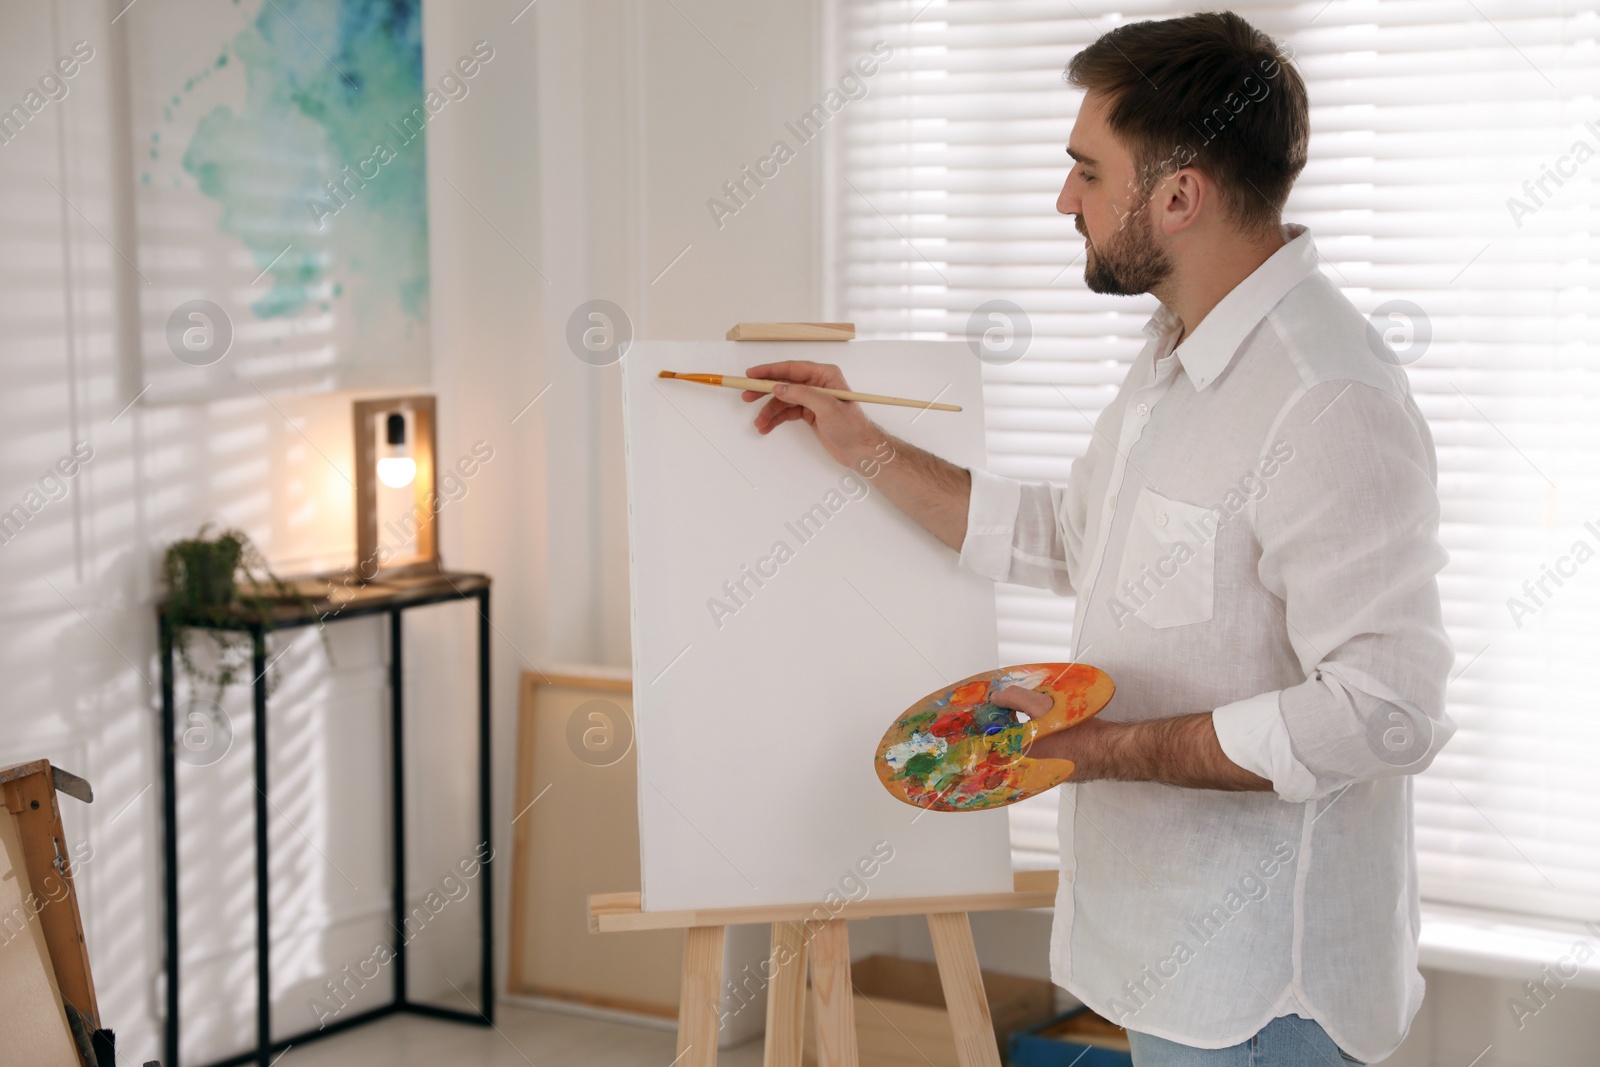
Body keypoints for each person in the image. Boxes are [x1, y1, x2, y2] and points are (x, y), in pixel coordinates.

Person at [743, 11, 1453, 1067]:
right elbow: (1076, 538)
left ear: (1176, 196)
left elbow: (1385, 709)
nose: (1062, 200)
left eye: (1086, 170)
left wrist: (1098, 751)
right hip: (1166, 959)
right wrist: (862, 446)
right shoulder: (1175, 357)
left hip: (1260, 996)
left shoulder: (1321, 397)